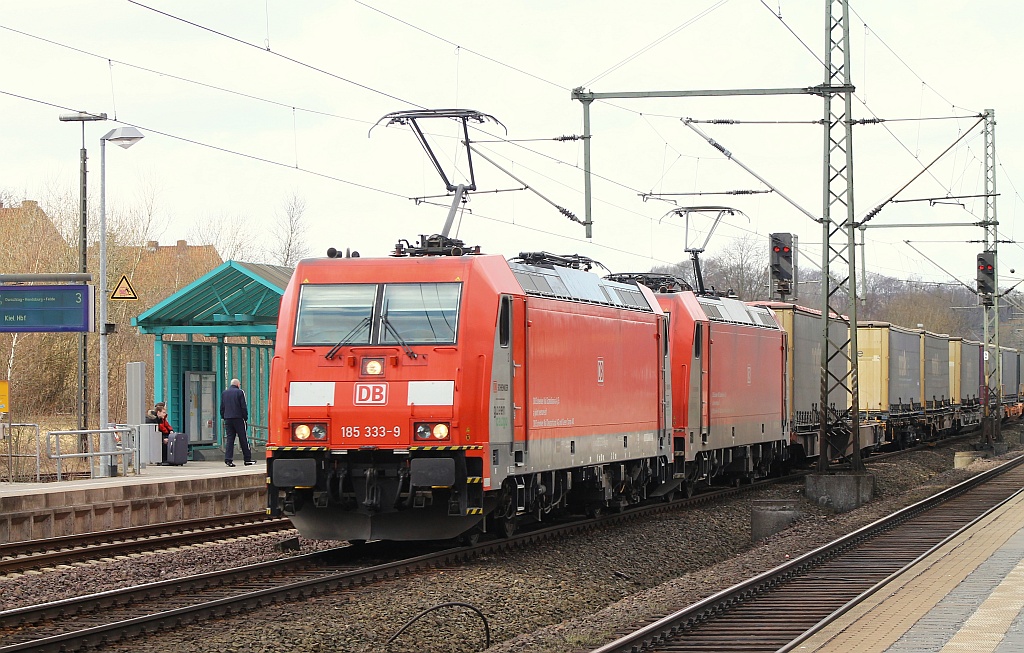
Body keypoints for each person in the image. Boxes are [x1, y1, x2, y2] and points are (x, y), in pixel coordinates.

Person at [221, 378, 253, 467]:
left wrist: (224, 417)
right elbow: (243, 406)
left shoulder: (224, 393)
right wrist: (245, 418)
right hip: (238, 418)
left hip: (228, 418)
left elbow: (222, 407)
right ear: (238, 385)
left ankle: (228, 459)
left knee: (230, 439)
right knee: (243, 439)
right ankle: (247, 459)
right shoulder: (240, 392)